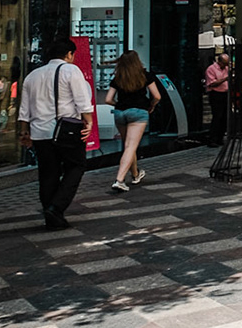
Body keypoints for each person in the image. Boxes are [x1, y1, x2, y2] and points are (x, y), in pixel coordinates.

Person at [18, 37, 94, 229]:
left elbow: (24, 109)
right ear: (69, 54)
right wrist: (89, 122)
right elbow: (82, 100)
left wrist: (24, 132)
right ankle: (56, 208)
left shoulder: (32, 76)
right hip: (66, 131)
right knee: (76, 167)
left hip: (39, 132)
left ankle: (50, 213)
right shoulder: (71, 70)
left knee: (48, 173)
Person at [106, 50, 162, 192]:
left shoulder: (118, 77)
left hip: (120, 113)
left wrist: (118, 105)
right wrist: (151, 106)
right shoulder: (145, 75)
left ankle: (136, 174)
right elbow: (157, 96)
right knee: (131, 146)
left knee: (128, 146)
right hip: (138, 112)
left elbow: (108, 99)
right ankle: (119, 180)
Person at [204, 51, 231, 146]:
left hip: (225, 93)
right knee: (217, 116)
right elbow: (212, 83)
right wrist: (225, 79)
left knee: (225, 117)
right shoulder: (211, 69)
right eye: (224, 63)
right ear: (219, 61)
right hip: (216, 94)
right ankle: (213, 139)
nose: (225, 65)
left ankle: (220, 137)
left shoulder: (226, 69)